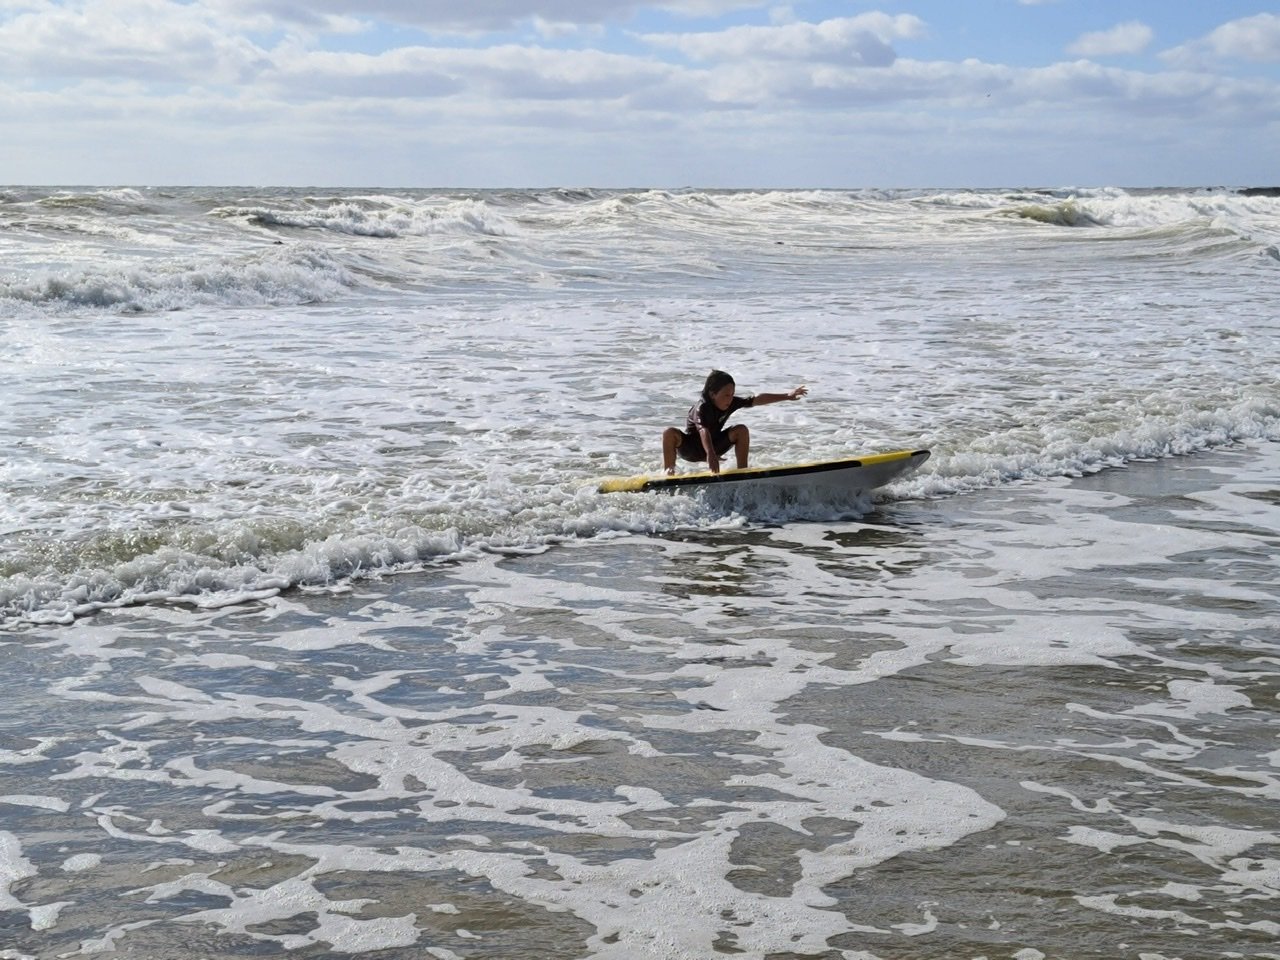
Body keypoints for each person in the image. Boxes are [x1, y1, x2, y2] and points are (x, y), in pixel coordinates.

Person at [662, 370, 808, 475]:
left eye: (732, 394)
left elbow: (755, 399)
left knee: (741, 430)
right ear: (713, 394)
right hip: (691, 449)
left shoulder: (729, 402)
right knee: (669, 433)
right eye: (726, 395)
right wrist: (711, 454)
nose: (730, 398)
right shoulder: (702, 407)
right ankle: (669, 474)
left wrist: (787, 396)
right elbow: (703, 430)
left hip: (714, 445)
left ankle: (742, 473)